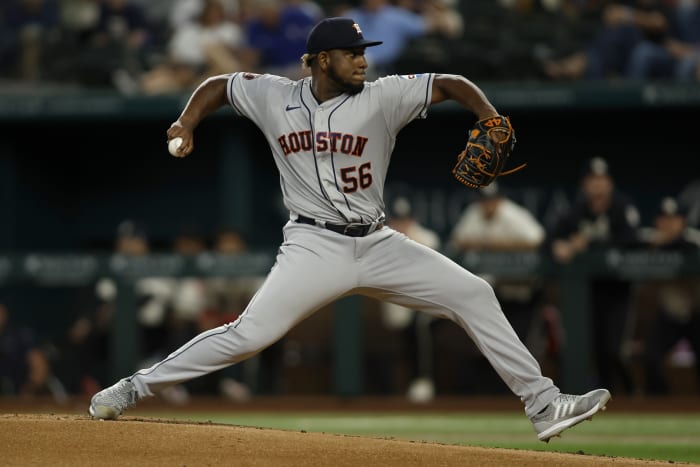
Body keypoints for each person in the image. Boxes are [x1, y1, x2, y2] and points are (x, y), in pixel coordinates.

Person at [88, 16, 611, 442]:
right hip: (313, 244)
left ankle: (544, 404)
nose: (363, 60)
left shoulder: (382, 96)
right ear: (320, 61)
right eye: (351, 53)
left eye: (364, 51)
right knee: (249, 335)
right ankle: (135, 387)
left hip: (379, 242)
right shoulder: (274, 95)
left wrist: (490, 116)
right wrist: (185, 122)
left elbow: (450, 83)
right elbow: (218, 85)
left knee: (473, 292)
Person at [544, 156, 641, 395]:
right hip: (586, 292)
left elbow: (633, 241)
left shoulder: (622, 207)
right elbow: (548, 240)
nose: (597, 185)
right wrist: (559, 246)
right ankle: (606, 397)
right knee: (593, 348)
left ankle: (630, 394)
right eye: (592, 180)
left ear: (610, 183)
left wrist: (585, 243)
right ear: (584, 185)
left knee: (614, 348)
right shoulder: (576, 211)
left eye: (602, 180)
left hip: (618, 290)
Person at [633, 196, 700, 394]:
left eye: (674, 219)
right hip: (668, 315)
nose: (669, 224)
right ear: (657, 222)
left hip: (696, 313)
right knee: (651, 357)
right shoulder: (649, 240)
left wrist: (665, 245)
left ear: (683, 221)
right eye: (664, 219)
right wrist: (656, 247)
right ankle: (661, 404)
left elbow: (687, 246)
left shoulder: (694, 238)